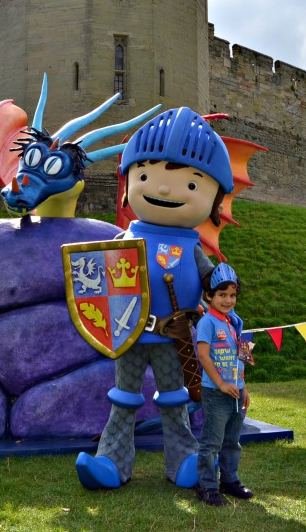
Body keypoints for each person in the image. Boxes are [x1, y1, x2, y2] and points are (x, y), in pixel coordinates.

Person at [75, 107, 235, 490]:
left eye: (192, 185)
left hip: (173, 336)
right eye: (145, 175)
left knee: (175, 398)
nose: (163, 189)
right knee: (124, 398)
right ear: (128, 181)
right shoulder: (125, 240)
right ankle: (111, 462)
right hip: (128, 332)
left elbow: (212, 280)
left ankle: (183, 459)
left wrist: (224, 281)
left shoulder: (193, 246)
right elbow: (97, 278)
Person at [195, 263, 253, 506]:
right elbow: (203, 356)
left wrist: (243, 387)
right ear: (209, 296)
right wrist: (219, 383)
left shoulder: (235, 322)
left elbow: (241, 357)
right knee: (212, 441)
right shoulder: (207, 323)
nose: (228, 300)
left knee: (232, 440)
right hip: (215, 392)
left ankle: (229, 480)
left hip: (236, 391)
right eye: (222, 295)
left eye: (232, 295)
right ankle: (207, 486)